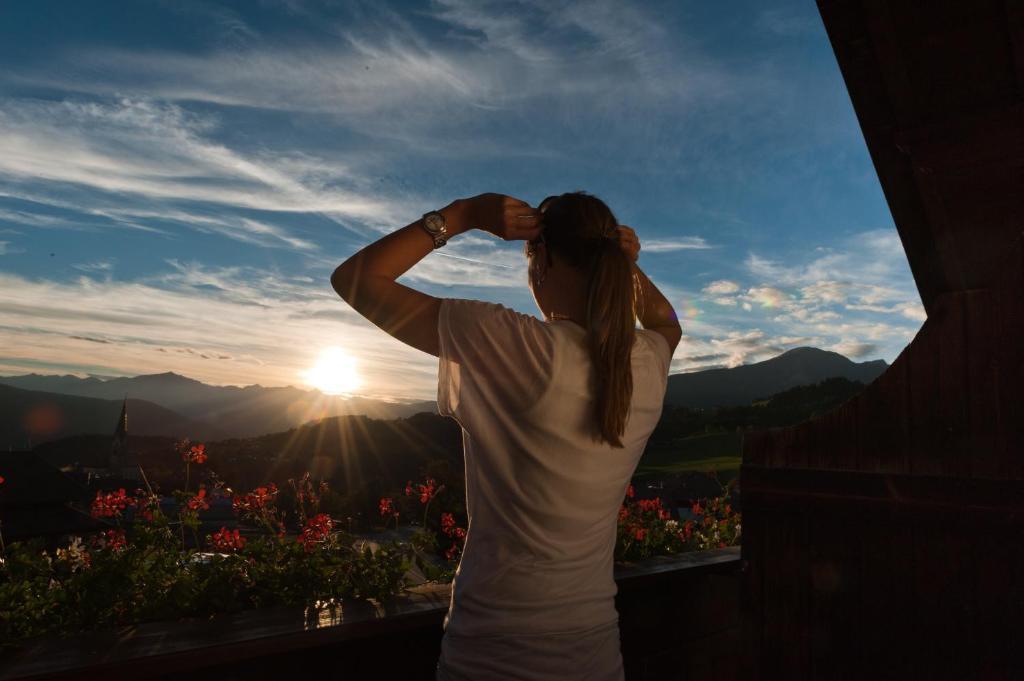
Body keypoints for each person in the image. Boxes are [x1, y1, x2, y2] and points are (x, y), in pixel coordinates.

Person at [331, 191, 681, 681]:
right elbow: (669, 324)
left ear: (543, 260)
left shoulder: (511, 342)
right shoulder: (644, 361)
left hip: (492, 655)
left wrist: (462, 215)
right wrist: (627, 266)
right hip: (595, 655)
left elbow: (355, 279)